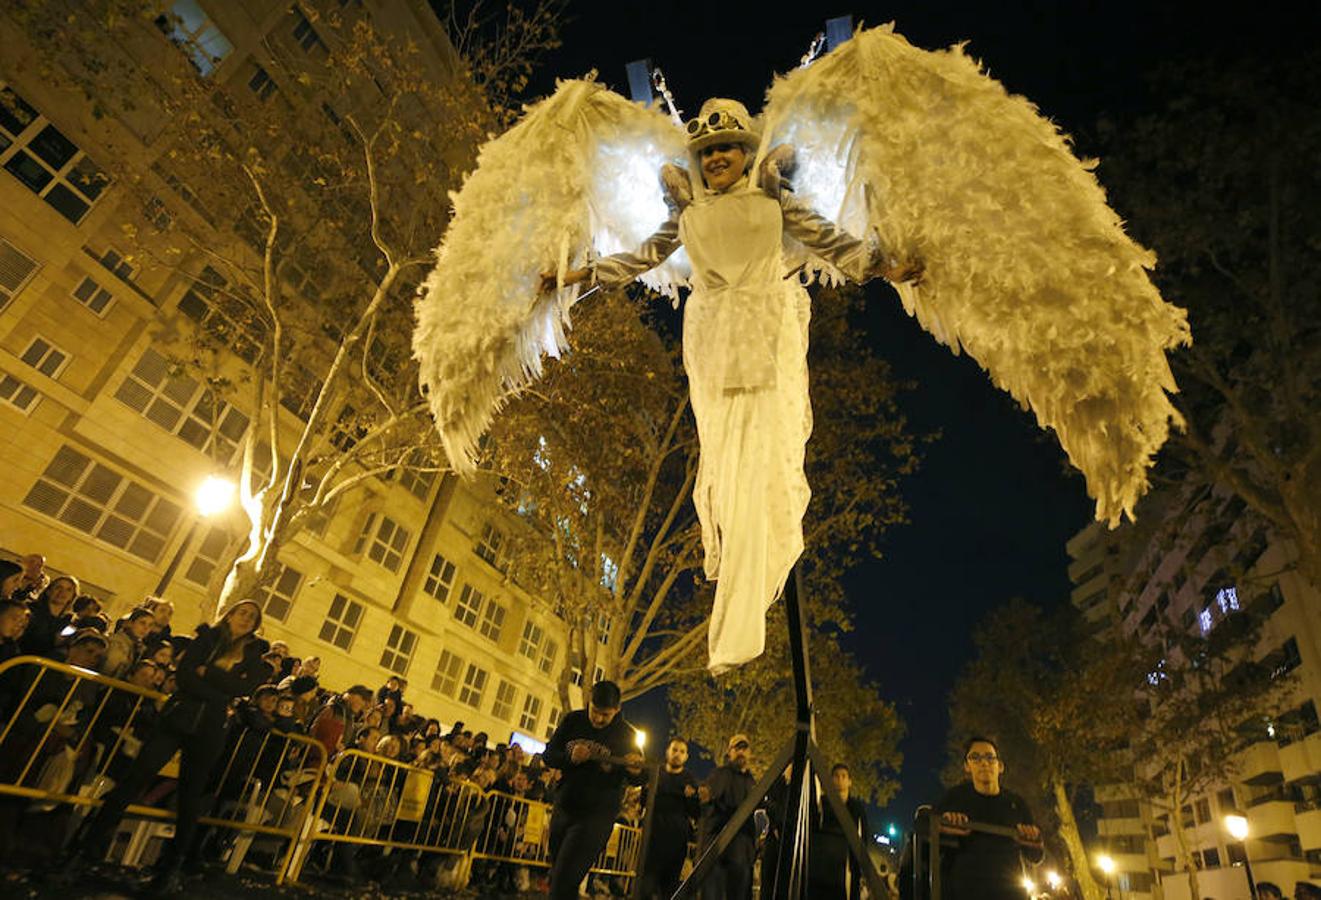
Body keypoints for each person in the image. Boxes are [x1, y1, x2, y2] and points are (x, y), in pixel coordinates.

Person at [539, 100, 921, 673]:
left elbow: (829, 241)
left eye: (727, 148)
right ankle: (735, 607)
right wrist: (576, 276)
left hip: (764, 334)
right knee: (724, 461)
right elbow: (640, 258)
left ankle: (752, 593)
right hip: (716, 341)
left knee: (765, 462)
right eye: (708, 151)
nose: (717, 157)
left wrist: (882, 265)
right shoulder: (688, 213)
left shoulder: (772, 200)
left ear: (746, 154)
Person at [67, 601, 271, 893]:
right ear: (229, 615)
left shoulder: (254, 654)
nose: (247, 618)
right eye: (243, 612)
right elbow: (186, 677)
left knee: (190, 795)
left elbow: (245, 688)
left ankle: (171, 865)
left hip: (210, 729)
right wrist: (219, 688)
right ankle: (86, 846)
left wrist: (209, 674)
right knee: (136, 777)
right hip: (179, 717)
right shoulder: (207, 638)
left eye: (253, 616)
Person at [542, 681, 644, 900]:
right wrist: (569, 756)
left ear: (616, 710)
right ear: (589, 702)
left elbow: (641, 775)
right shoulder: (573, 721)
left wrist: (634, 768)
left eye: (605, 715)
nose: (598, 719)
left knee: (563, 880)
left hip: (595, 817)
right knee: (560, 880)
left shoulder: (625, 735)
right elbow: (549, 755)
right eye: (595, 712)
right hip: (565, 807)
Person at [935, 736, 1043, 900]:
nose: (984, 763)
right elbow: (930, 847)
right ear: (967, 766)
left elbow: (1035, 856)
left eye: (990, 757)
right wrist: (944, 827)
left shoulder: (1017, 803)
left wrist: (1033, 839)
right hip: (961, 893)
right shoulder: (953, 798)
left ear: (1000, 766)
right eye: (975, 757)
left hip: (1010, 894)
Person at [698, 733, 758, 900]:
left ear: (750, 753)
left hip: (742, 855)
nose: (741, 752)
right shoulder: (720, 774)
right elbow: (709, 798)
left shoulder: (753, 782)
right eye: (737, 748)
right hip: (718, 852)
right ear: (729, 752)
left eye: (744, 748)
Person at [642, 737, 700, 900]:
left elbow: (696, 813)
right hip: (652, 840)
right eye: (674, 750)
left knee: (668, 891)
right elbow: (643, 801)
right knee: (645, 888)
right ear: (667, 751)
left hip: (676, 843)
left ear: (686, 757)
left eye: (681, 751)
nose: (677, 754)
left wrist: (691, 798)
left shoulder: (690, 780)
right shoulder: (655, 773)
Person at [810, 763, 872, 900]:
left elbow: (864, 836)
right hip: (823, 866)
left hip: (848, 864)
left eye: (843, 776)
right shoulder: (822, 804)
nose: (840, 779)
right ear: (831, 779)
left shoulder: (857, 808)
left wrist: (860, 864)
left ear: (850, 781)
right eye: (836, 776)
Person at [21, 575, 78, 657]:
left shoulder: (70, 620)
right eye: (58, 587)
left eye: (68, 590)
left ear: (72, 596)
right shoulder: (30, 609)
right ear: (49, 591)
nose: (62, 592)